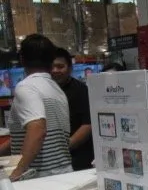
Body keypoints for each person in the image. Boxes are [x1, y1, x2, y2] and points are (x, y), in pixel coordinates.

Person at [0, 34, 71, 180]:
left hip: (39, 178)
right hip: (64, 174)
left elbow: (37, 130)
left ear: (22, 59)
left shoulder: (26, 87)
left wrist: (17, 172)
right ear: (51, 60)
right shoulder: (56, 90)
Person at [52, 48, 94, 171]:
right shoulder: (46, 90)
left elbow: (87, 124)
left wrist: (64, 148)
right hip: (53, 159)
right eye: (51, 67)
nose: (55, 70)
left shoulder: (81, 90)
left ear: (70, 68)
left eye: (60, 66)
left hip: (78, 157)